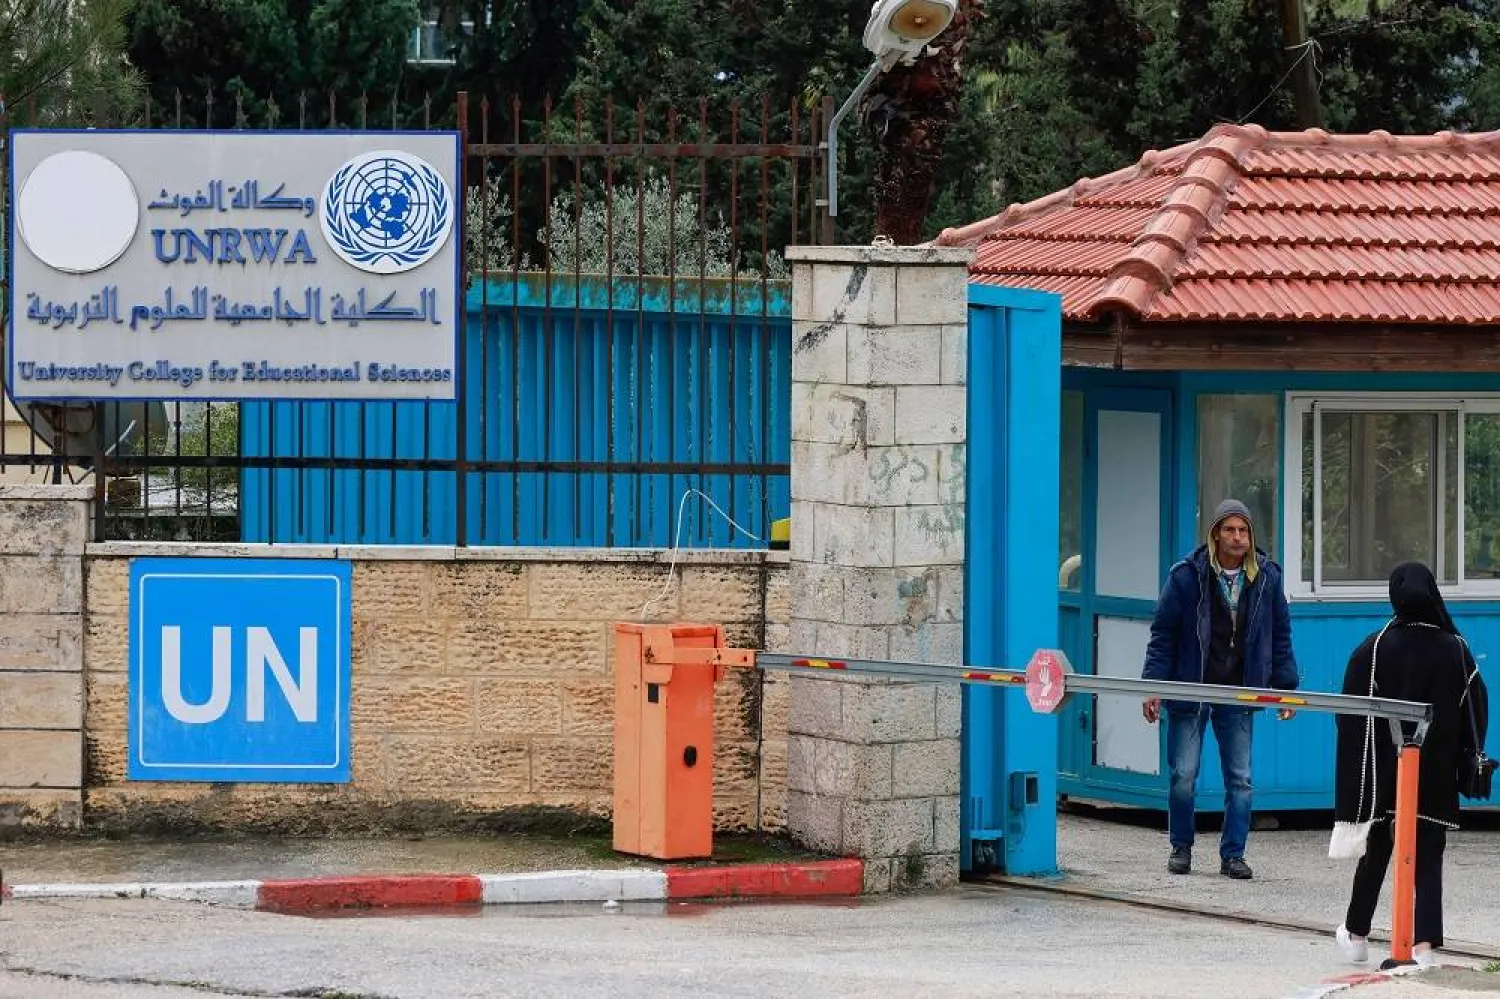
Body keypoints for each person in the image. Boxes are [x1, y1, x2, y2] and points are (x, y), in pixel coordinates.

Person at [1333, 562, 1489, 967]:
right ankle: (1423, 947)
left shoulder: (1374, 646)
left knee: (1377, 849)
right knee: (1429, 853)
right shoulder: (1456, 649)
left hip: (1386, 774)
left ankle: (1356, 934)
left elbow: (1348, 713)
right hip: (1435, 777)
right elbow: (1477, 708)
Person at [1141, 498, 1300, 879]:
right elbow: (1163, 635)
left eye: (1243, 530)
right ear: (1215, 535)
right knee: (1183, 774)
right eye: (1229, 530)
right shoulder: (1186, 576)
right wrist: (1152, 686)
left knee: (1240, 779)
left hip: (1239, 691)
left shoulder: (1267, 577)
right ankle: (1181, 848)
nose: (1237, 537)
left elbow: (1280, 635)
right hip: (1192, 686)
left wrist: (1286, 687)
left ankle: (1234, 854)